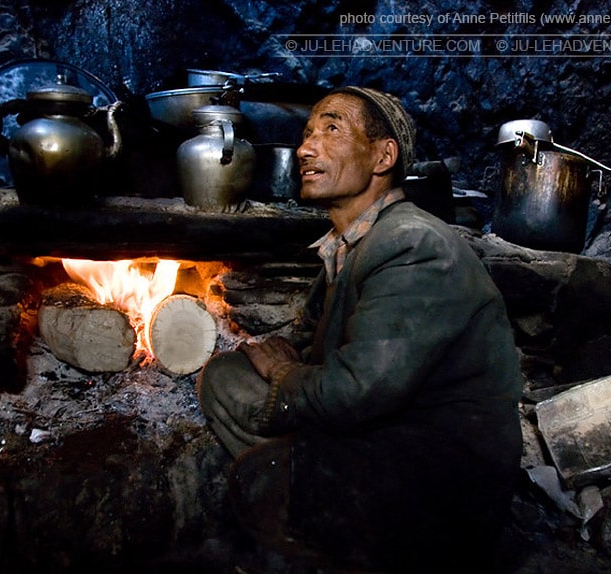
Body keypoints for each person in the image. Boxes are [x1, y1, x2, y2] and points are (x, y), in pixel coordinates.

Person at [197, 86, 523, 572]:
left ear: (383, 156)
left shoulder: (412, 244)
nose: (307, 148)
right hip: (385, 435)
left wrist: (286, 375)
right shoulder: (352, 243)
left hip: (438, 477)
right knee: (226, 376)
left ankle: (368, 538)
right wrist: (294, 360)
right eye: (307, 134)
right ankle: (306, 493)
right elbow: (317, 346)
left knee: (257, 457)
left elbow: (357, 391)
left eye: (332, 129)